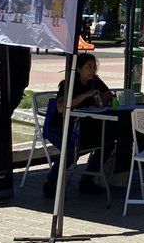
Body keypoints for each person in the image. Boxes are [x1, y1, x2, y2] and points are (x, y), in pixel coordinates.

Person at [41, 53, 115, 197]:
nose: (93, 69)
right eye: (89, 66)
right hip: (59, 127)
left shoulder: (95, 81)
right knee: (69, 153)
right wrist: (85, 95)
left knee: (108, 143)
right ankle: (50, 183)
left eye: (94, 66)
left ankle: (87, 179)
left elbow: (109, 95)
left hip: (83, 127)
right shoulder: (68, 84)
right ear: (79, 69)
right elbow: (61, 107)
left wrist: (103, 97)